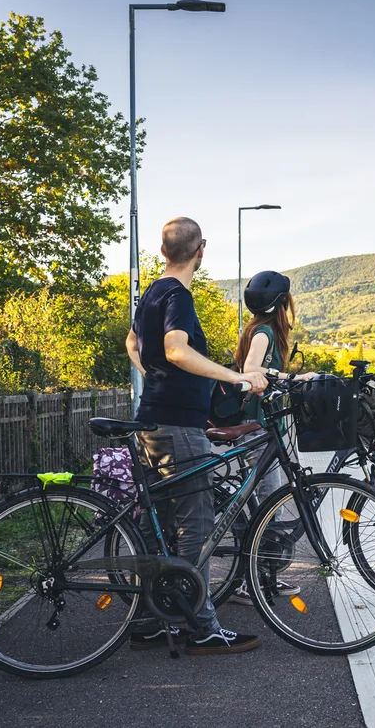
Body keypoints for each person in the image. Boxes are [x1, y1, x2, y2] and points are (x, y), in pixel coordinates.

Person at [124, 216, 267, 655]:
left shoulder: (151, 291)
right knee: (196, 524)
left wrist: (159, 380)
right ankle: (201, 627)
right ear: (200, 251)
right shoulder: (178, 295)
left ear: (164, 250)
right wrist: (238, 379)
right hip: (177, 426)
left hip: (152, 418)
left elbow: (133, 344)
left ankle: (150, 620)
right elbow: (175, 348)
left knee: (157, 524)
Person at [227, 270, 315, 605]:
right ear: (282, 303)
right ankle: (253, 581)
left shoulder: (259, 329)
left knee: (267, 501)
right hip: (256, 427)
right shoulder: (263, 332)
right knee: (267, 503)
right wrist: (290, 376)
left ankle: (264, 576)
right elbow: (251, 368)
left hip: (264, 425)